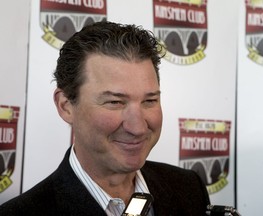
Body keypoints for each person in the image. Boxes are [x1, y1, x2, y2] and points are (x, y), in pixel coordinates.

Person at [0, 21, 210, 215]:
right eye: (115, 102)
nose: (137, 128)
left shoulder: (189, 187)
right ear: (65, 106)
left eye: (149, 101)